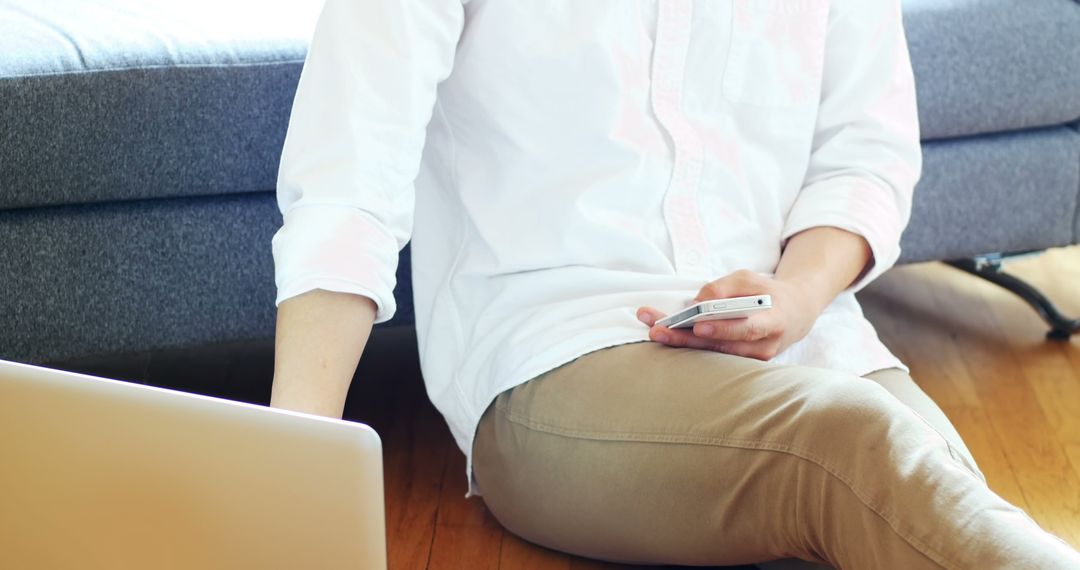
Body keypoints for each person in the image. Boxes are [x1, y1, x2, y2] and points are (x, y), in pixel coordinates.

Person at [268, 1, 1080, 568]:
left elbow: (864, 155)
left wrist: (796, 296)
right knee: (859, 451)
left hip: (810, 343)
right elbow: (349, 188)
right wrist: (289, 472)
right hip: (559, 352)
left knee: (928, 493)